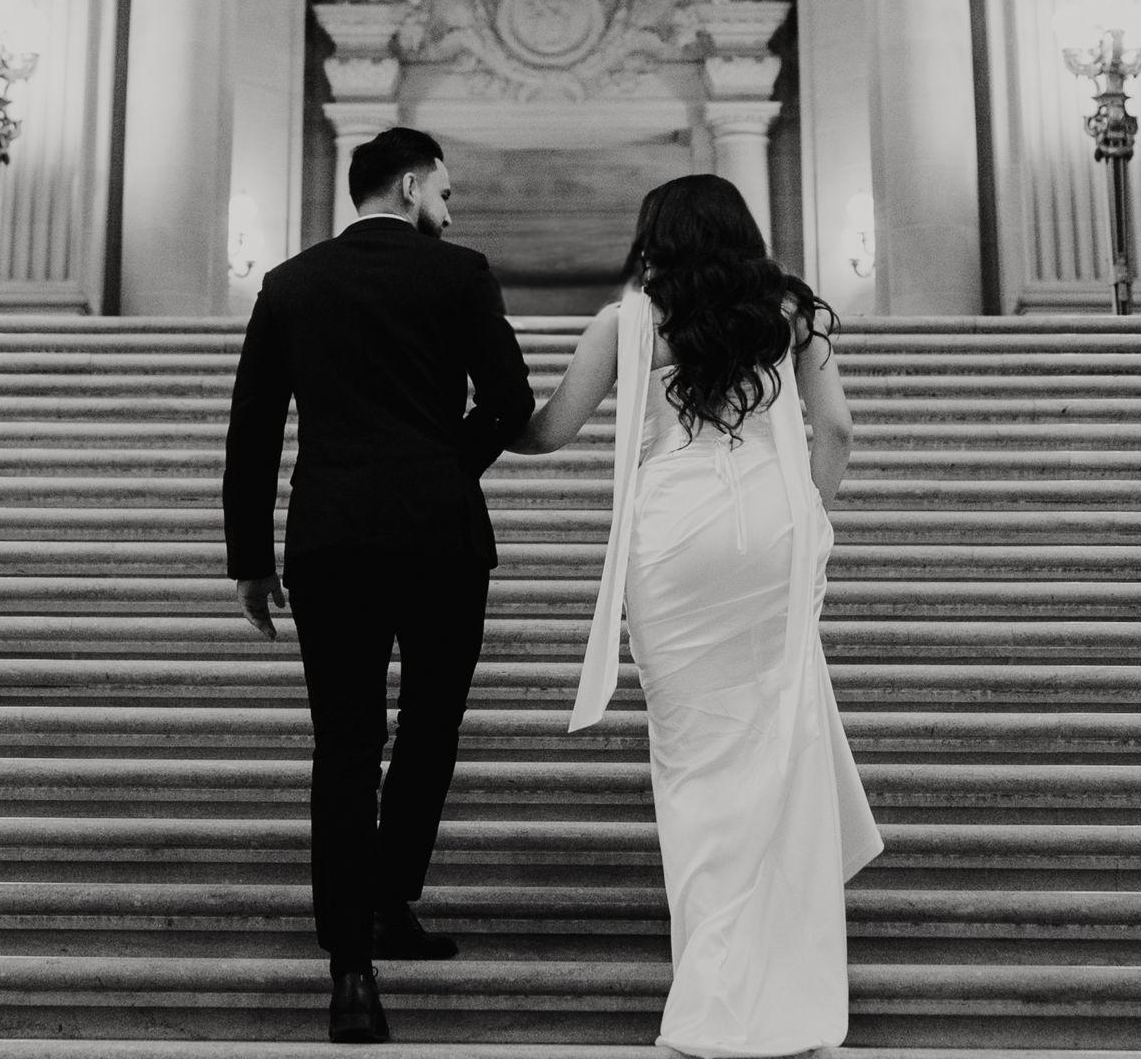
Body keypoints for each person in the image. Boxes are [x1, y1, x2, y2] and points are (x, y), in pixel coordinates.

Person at [510, 174, 881, 1058]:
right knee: (776, 753)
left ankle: (712, 993)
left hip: (674, 542)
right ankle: (788, 993)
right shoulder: (790, 314)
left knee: (693, 767)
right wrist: (810, 522)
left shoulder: (628, 323)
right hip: (771, 533)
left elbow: (547, 431)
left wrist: (452, 409)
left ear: (657, 239)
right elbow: (836, 430)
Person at [222, 127, 535, 1044]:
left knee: (347, 745)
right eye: (445, 191)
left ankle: (352, 965)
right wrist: (444, 468)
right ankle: (390, 899)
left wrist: (250, 558)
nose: (451, 210)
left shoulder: (290, 284)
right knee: (431, 729)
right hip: (442, 541)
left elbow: (253, 431)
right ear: (408, 185)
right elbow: (510, 402)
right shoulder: (461, 274)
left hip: (330, 542)